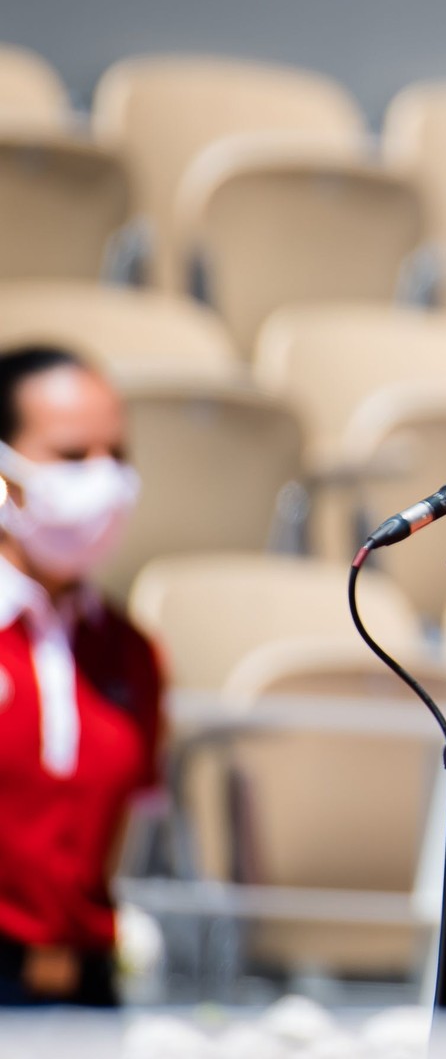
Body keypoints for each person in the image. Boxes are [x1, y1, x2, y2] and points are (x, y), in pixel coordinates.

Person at [0, 344, 161, 1007]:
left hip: (89, 992)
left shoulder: (129, 651)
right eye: (71, 455)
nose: (103, 480)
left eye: (116, 455)